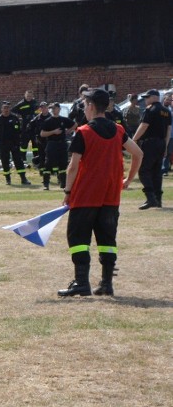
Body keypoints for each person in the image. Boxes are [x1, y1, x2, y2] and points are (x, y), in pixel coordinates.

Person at [58, 88, 142, 297]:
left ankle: (81, 283)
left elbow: (73, 166)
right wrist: (128, 180)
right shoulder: (119, 130)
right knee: (107, 241)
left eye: (85, 105)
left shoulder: (84, 132)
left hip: (85, 195)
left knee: (78, 240)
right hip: (110, 196)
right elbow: (138, 153)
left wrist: (67, 191)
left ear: (91, 106)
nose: (84, 108)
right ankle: (106, 284)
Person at [132, 89, 171, 209]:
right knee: (156, 172)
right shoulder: (166, 111)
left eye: (147, 97)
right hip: (161, 143)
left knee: (144, 170)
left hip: (150, 143)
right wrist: (165, 145)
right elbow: (168, 130)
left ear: (154, 97)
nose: (145, 100)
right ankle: (158, 199)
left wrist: (133, 140)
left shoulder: (150, 110)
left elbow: (144, 126)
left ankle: (150, 198)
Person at [0, 101, 30, 185]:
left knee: (18, 161)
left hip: (14, 144)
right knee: (5, 161)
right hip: (3, 144)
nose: (6, 110)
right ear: (2, 109)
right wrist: (1, 139)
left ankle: (23, 178)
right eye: (4, 108)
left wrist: (17, 141)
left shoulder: (14, 118)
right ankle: (8, 179)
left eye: (8, 108)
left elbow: (19, 130)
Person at [38, 102, 75, 190]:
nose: (53, 110)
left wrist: (68, 131)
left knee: (63, 163)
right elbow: (42, 134)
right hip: (52, 143)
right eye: (52, 109)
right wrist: (53, 132)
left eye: (55, 108)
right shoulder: (48, 121)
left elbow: (75, 124)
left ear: (59, 109)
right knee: (49, 163)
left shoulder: (63, 120)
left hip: (62, 143)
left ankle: (63, 184)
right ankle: (46, 183)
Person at [12, 90, 38, 166]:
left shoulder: (35, 102)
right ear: (25, 95)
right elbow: (13, 110)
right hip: (25, 126)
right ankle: (23, 160)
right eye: (27, 96)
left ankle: (36, 160)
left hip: (34, 126)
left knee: (35, 145)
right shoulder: (21, 103)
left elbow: (38, 111)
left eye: (30, 96)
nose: (29, 98)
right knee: (24, 144)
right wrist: (21, 115)